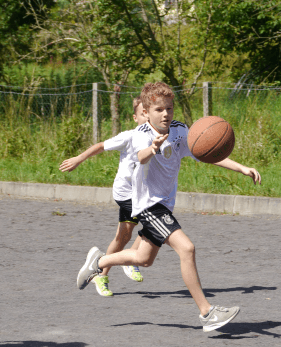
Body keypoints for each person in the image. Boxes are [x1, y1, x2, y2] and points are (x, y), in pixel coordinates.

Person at [76, 82, 261, 332]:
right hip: (149, 206)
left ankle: (98, 263)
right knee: (187, 248)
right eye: (159, 109)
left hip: (164, 204)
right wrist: (153, 148)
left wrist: (242, 168)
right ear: (147, 111)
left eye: (170, 109)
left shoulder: (179, 130)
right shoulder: (141, 133)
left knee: (143, 259)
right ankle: (207, 313)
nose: (166, 114)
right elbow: (141, 156)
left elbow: (206, 152)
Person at [60, 97, 148, 297]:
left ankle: (100, 274)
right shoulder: (129, 136)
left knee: (123, 236)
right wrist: (79, 158)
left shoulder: (159, 135)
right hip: (126, 193)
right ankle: (130, 261)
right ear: (135, 118)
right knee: (154, 224)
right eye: (143, 113)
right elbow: (101, 146)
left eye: (149, 112)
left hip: (142, 194)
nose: (147, 116)